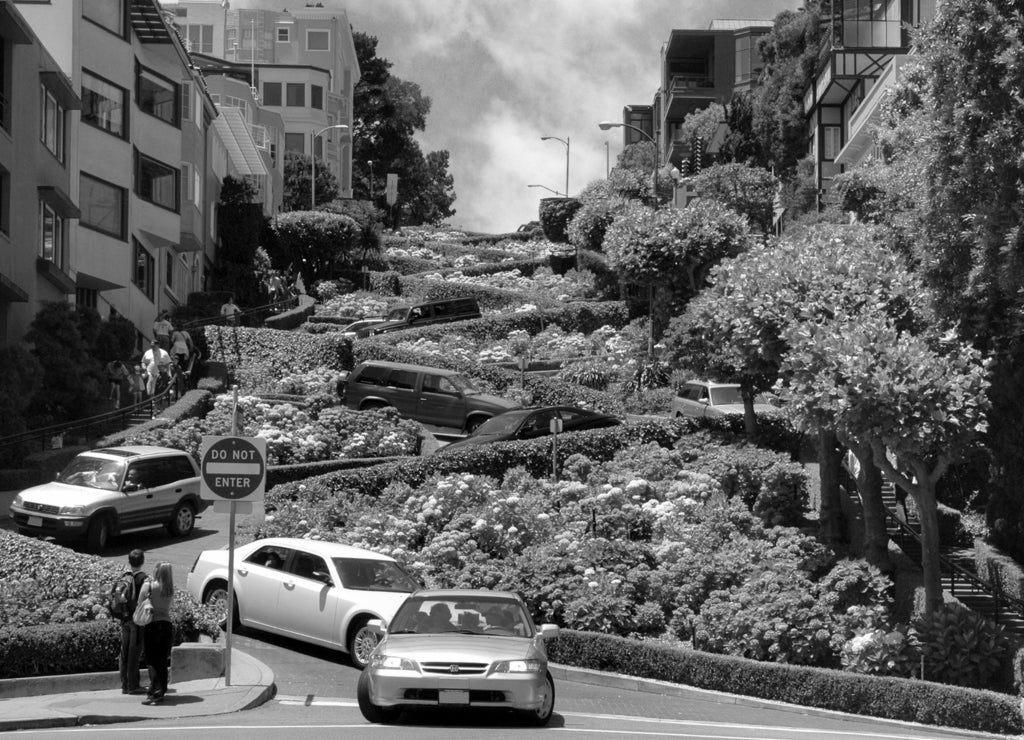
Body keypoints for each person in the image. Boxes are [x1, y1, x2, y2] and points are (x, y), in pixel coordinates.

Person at [139, 561, 175, 705]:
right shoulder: (170, 589)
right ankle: (161, 690)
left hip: (152, 624)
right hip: (166, 625)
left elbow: (140, 601)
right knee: (161, 660)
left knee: (151, 660)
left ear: (157, 571)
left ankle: (154, 691)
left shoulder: (149, 586)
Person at [118, 549, 148, 695]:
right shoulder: (143, 578)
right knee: (134, 654)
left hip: (124, 620)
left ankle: (124, 685)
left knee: (124, 653)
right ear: (142, 561)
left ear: (129, 562)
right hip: (136, 620)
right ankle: (133, 686)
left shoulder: (124, 576)